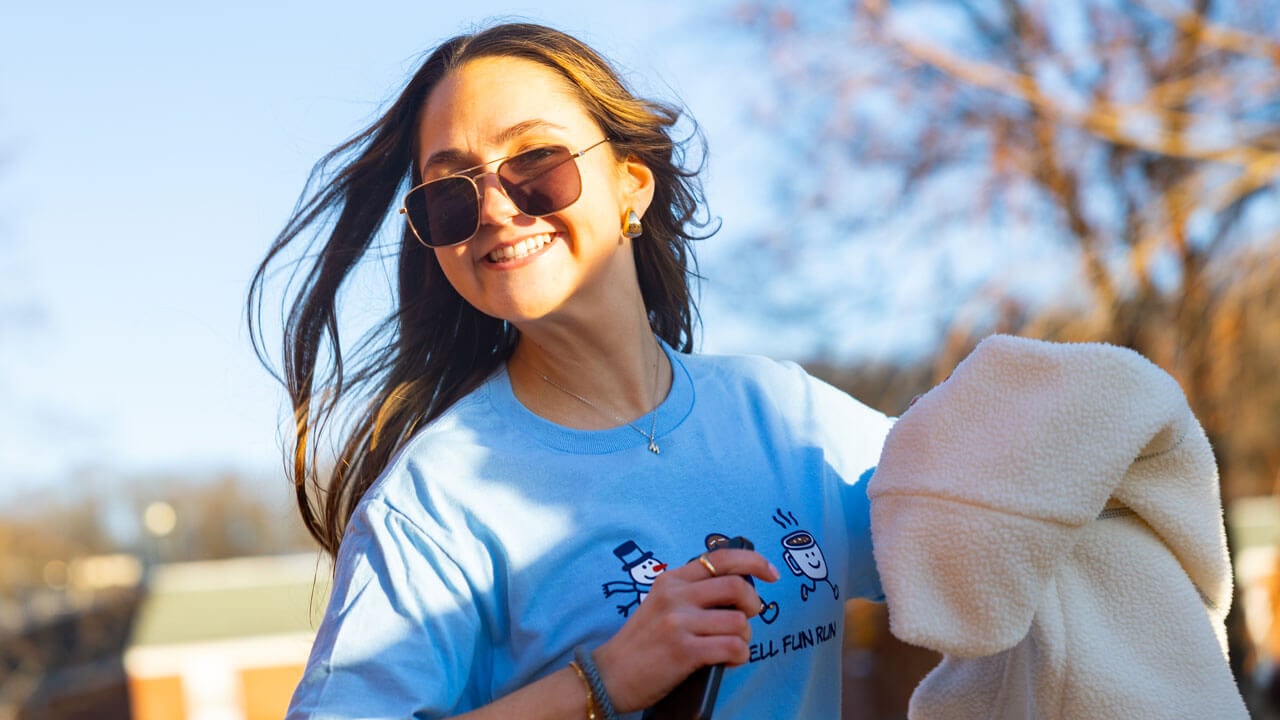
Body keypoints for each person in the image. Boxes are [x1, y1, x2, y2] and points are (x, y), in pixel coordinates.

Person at [248, 21, 893, 719]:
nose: (494, 208)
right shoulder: (434, 507)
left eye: (534, 161)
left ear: (631, 186)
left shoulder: (782, 412)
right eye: (451, 195)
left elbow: (985, 533)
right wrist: (601, 682)